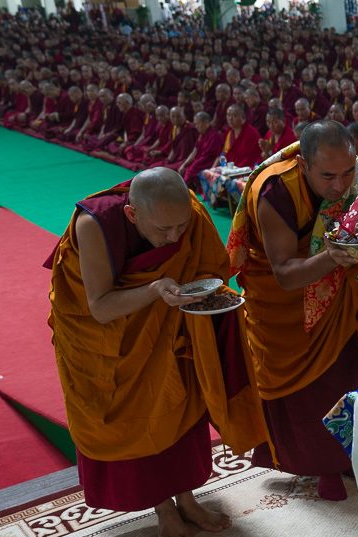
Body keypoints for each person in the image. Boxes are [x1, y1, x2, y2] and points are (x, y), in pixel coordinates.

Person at [46, 168, 265, 537]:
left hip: (169, 328)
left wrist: (208, 297)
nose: (175, 237)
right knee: (137, 415)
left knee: (178, 405)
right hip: (108, 341)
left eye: (180, 226)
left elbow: (210, 266)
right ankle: (164, 508)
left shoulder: (185, 211)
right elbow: (99, 306)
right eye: (163, 230)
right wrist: (155, 290)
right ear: (133, 214)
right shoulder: (94, 224)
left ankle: (188, 499)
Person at [227, 121, 358, 501]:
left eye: (348, 172)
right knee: (309, 394)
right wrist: (333, 257)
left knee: (351, 372)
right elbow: (283, 274)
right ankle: (320, 466)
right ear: (303, 165)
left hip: (343, 300)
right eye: (328, 176)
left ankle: (352, 456)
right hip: (285, 308)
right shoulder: (275, 191)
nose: (340, 185)